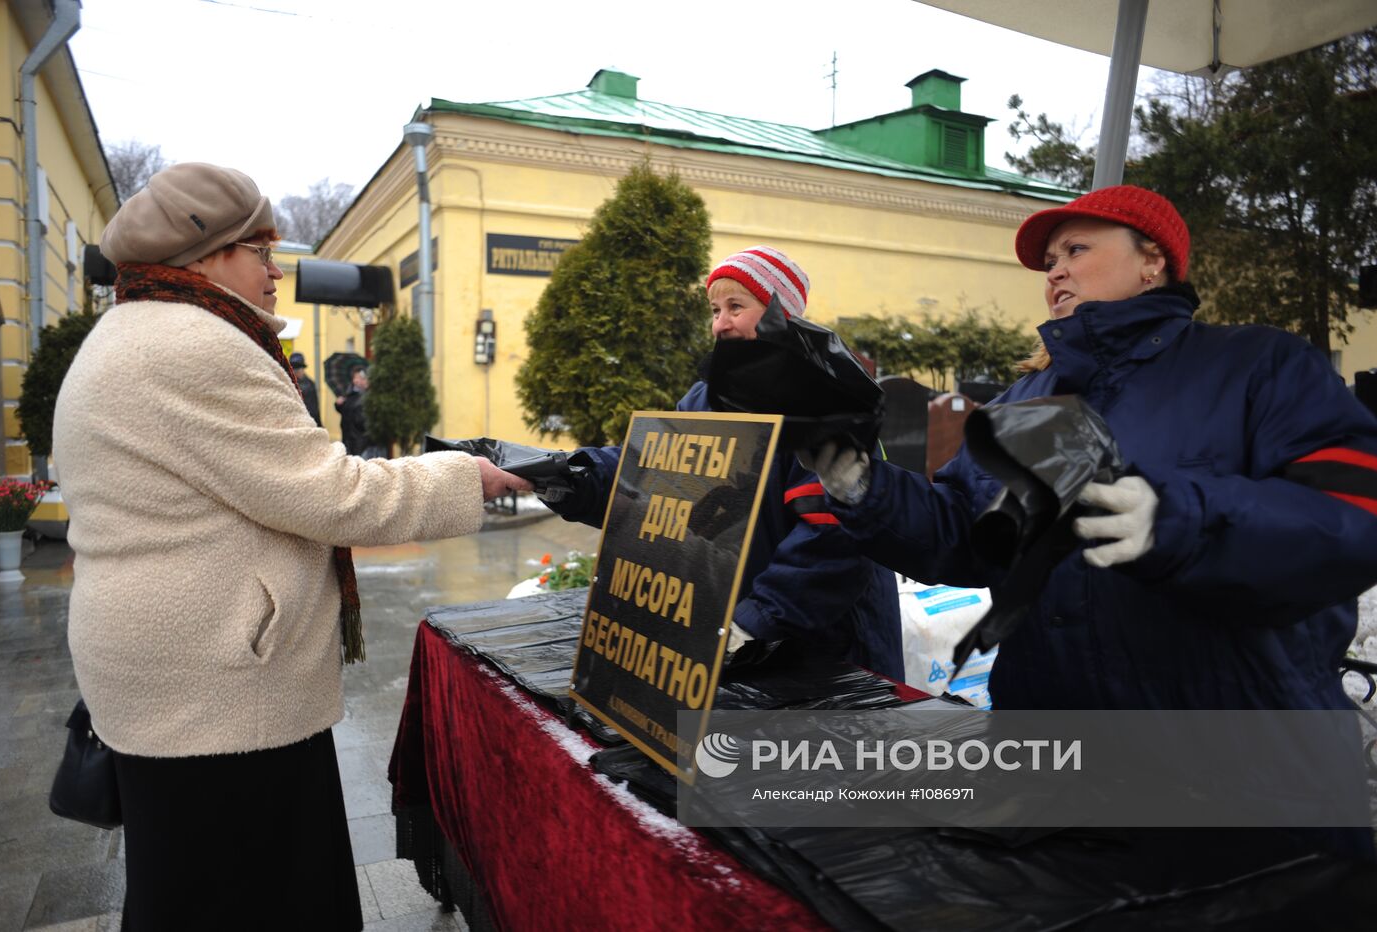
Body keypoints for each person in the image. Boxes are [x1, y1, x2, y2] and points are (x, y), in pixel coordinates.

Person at [52, 162, 531, 931]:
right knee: (254, 893)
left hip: (174, 674)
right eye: (260, 251)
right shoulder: (192, 346)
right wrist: (465, 478)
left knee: (186, 885)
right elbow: (333, 496)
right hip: (217, 686)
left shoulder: (134, 329)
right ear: (203, 255)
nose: (277, 273)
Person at [803, 185, 1377, 713]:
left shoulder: (1261, 366)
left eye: (1076, 250)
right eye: (1050, 263)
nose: (1055, 273)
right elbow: (965, 532)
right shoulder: (1021, 402)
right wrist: (865, 487)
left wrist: (1180, 522)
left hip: (1237, 762)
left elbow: (1351, 516)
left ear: (1152, 260)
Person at [545, 246, 903, 679]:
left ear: (781, 312)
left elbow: (833, 538)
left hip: (828, 653)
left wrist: (750, 624)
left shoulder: (826, 404)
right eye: (715, 309)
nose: (720, 323)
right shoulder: (704, 399)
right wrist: (557, 474)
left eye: (737, 306)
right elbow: (648, 469)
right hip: (737, 642)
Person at [335, 365, 370, 456]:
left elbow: (364, 420)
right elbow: (346, 411)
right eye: (355, 377)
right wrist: (339, 405)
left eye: (360, 378)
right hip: (347, 435)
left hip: (361, 439)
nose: (357, 380)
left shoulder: (369, 396)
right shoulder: (349, 393)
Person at [289, 351, 322, 426]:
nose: (296, 371)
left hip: (307, 422)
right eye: (294, 369)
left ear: (303, 369)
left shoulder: (310, 384)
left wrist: (318, 425)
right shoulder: (288, 383)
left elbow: (315, 408)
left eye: (298, 368)